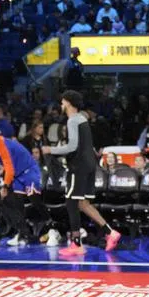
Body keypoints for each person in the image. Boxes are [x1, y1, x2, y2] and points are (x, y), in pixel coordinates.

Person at [47, 91, 121, 258]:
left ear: (67, 102)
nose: (61, 105)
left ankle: (76, 244)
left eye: (62, 102)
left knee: (71, 203)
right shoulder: (83, 119)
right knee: (83, 203)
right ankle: (110, 232)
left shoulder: (73, 120)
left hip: (78, 166)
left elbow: (72, 146)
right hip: (90, 165)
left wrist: (51, 149)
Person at [0, 126, 42, 247]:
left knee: (10, 203)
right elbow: (6, 167)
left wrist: (5, 187)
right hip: (18, 178)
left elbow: (10, 169)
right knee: (6, 204)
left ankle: (24, 234)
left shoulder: (0, 143)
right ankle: (19, 234)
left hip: (27, 178)